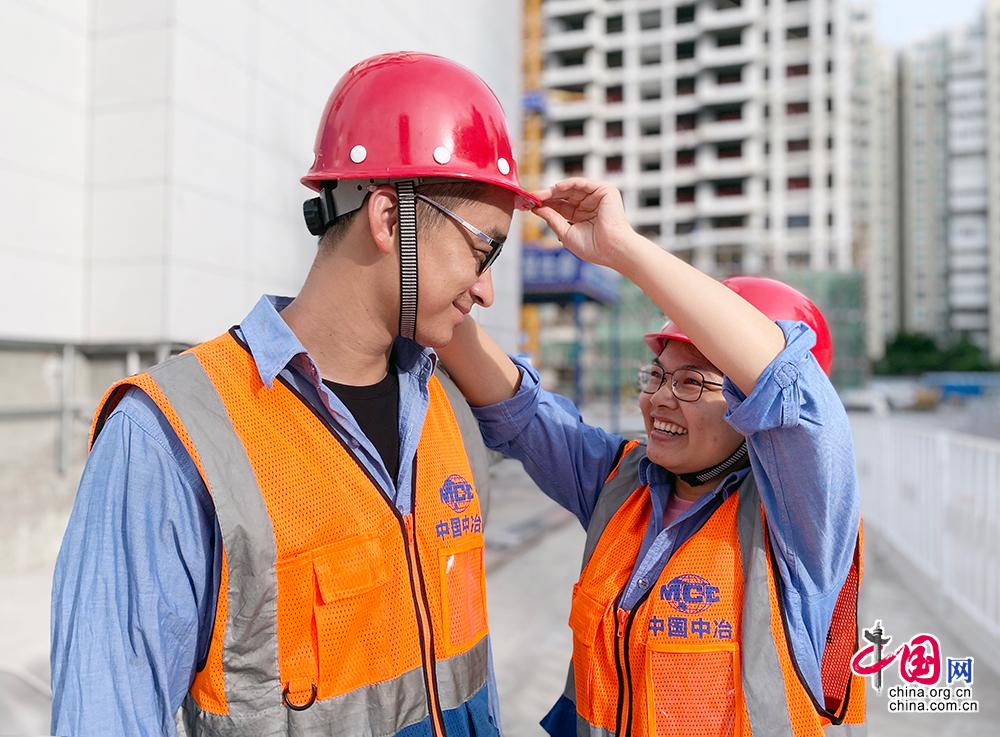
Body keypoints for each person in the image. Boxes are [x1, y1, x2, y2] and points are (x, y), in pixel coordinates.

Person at [50, 52, 539, 737]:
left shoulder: (450, 411)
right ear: (388, 221)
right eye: (482, 250)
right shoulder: (170, 435)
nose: (486, 287)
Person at [436, 178, 866, 736]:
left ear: (753, 412)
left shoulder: (800, 529)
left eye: (693, 382)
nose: (661, 397)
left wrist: (623, 249)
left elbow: (795, 397)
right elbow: (521, 412)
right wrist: (427, 289)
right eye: (658, 376)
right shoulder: (619, 482)